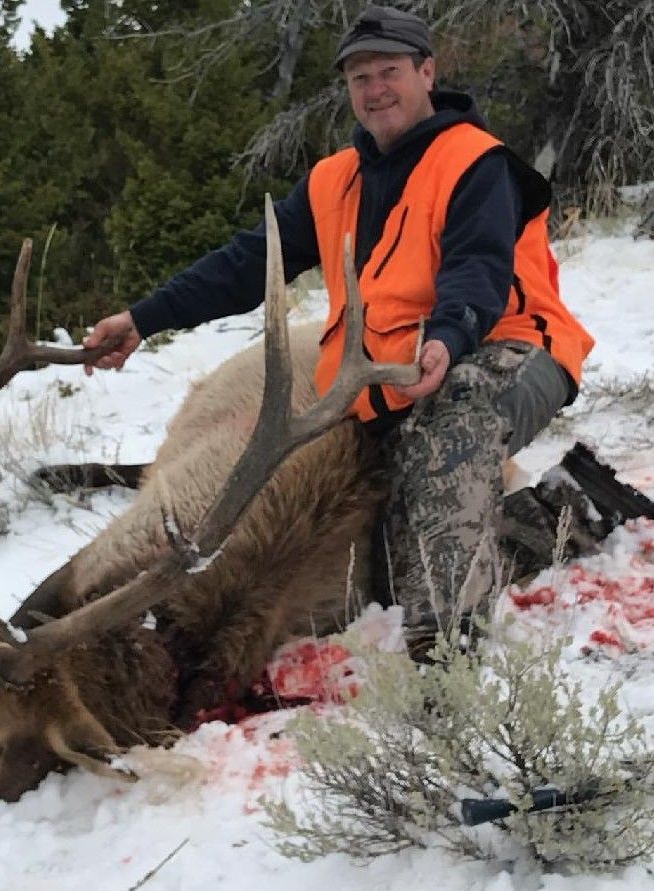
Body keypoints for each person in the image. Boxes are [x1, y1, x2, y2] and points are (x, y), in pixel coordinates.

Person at [82, 4, 594, 657]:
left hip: (510, 347)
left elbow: (477, 268)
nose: (376, 90)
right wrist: (142, 318)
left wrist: (449, 334)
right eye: (360, 79)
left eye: (389, 72)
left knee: (447, 435)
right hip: (390, 383)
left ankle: (446, 657)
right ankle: (563, 516)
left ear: (425, 72)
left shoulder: (474, 161)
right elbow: (245, 264)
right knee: (376, 533)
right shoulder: (334, 181)